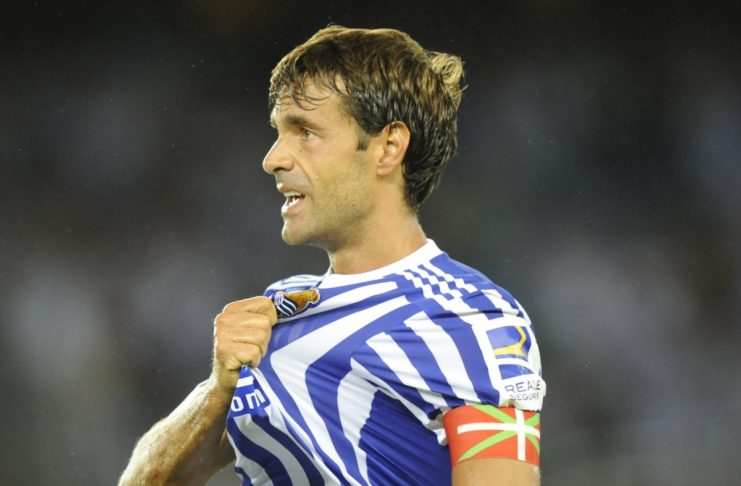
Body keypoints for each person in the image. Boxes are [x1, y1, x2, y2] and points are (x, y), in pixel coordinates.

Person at [119, 25, 546, 485]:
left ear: (389, 147)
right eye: (279, 132)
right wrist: (217, 391)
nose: (273, 159)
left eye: (305, 131)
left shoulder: (468, 319)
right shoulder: (279, 312)